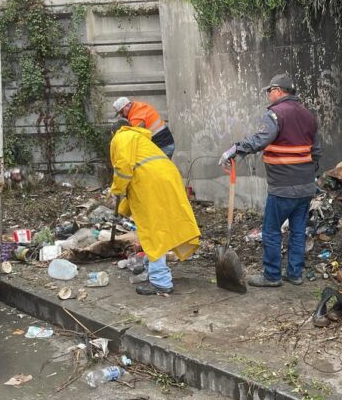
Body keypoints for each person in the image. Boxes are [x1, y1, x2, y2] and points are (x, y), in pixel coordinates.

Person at [218, 73, 321, 287]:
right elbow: (316, 151)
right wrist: (309, 175)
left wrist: (235, 149)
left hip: (282, 186)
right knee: (298, 231)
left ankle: (272, 275)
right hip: (305, 186)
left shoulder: (275, 115)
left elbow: (261, 139)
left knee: (272, 230)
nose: (268, 95)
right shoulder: (309, 116)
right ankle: (295, 273)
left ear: (278, 91)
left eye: (269, 91)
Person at [109, 119, 200, 295]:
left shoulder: (121, 137)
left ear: (114, 132)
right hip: (167, 178)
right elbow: (133, 186)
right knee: (165, 223)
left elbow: (123, 170)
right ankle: (150, 266)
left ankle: (160, 281)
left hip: (151, 183)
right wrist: (121, 212)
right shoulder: (140, 139)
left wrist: (116, 189)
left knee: (152, 230)